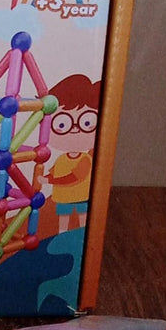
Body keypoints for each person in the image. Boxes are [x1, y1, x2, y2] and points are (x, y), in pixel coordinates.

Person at [43, 74, 101, 233]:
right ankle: (62, 235)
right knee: (63, 218)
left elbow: (74, 177)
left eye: (87, 123)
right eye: (62, 124)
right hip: (63, 197)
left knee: (82, 217)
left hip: (80, 195)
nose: (75, 129)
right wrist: (46, 177)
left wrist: (49, 180)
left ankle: (78, 233)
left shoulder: (85, 159)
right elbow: (55, 171)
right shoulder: (62, 158)